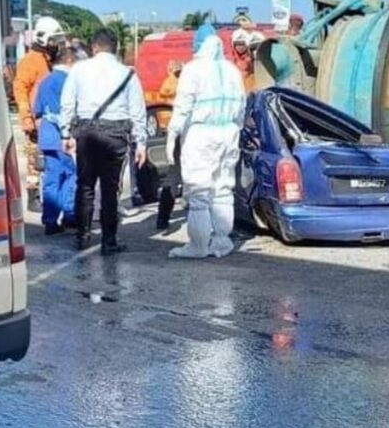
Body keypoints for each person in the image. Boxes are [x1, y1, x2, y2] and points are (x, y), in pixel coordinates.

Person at [60, 28, 147, 255]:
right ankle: (109, 241)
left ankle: (82, 236)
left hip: (87, 133)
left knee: (85, 185)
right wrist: (141, 143)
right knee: (110, 190)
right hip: (116, 135)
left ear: (94, 47)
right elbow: (138, 111)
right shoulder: (128, 74)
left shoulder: (79, 70)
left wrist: (65, 134)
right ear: (115, 48)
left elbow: (67, 103)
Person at [165, 23, 246, 259]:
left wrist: (172, 134)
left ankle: (198, 246)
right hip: (229, 133)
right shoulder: (232, 70)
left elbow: (182, 106)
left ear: (198, 46)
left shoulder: (193, 69)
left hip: (201, 134)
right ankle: (221, 242)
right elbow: (242, 106)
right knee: (223, 189)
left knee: (199, 192)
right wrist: (237, 131)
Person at [14, 17, 65, 197]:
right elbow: (20, 88)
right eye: (53, 40)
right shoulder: (31, 61)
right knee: (35, 160)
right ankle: (33, 194)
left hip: (50, 119)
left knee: (51, 160)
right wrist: (27, 117)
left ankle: (50, 192)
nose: (56, 44)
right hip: (36, 120)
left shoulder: (48, 60)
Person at [33, 47, 78, 236]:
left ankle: (50, 220)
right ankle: (69, 214)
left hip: (48, 135)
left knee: (51, 178)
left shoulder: (44, 82)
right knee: (70, 175)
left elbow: (38, 110)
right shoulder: (68, 81)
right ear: (69, 61)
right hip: (64, 136)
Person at [230, 28, 255, 92]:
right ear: (234, 45)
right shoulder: (230, 60)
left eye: (243, 44)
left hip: (247, 90)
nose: (240, 47)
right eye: (238, 44)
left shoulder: (250, 59)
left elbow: (253, 75)